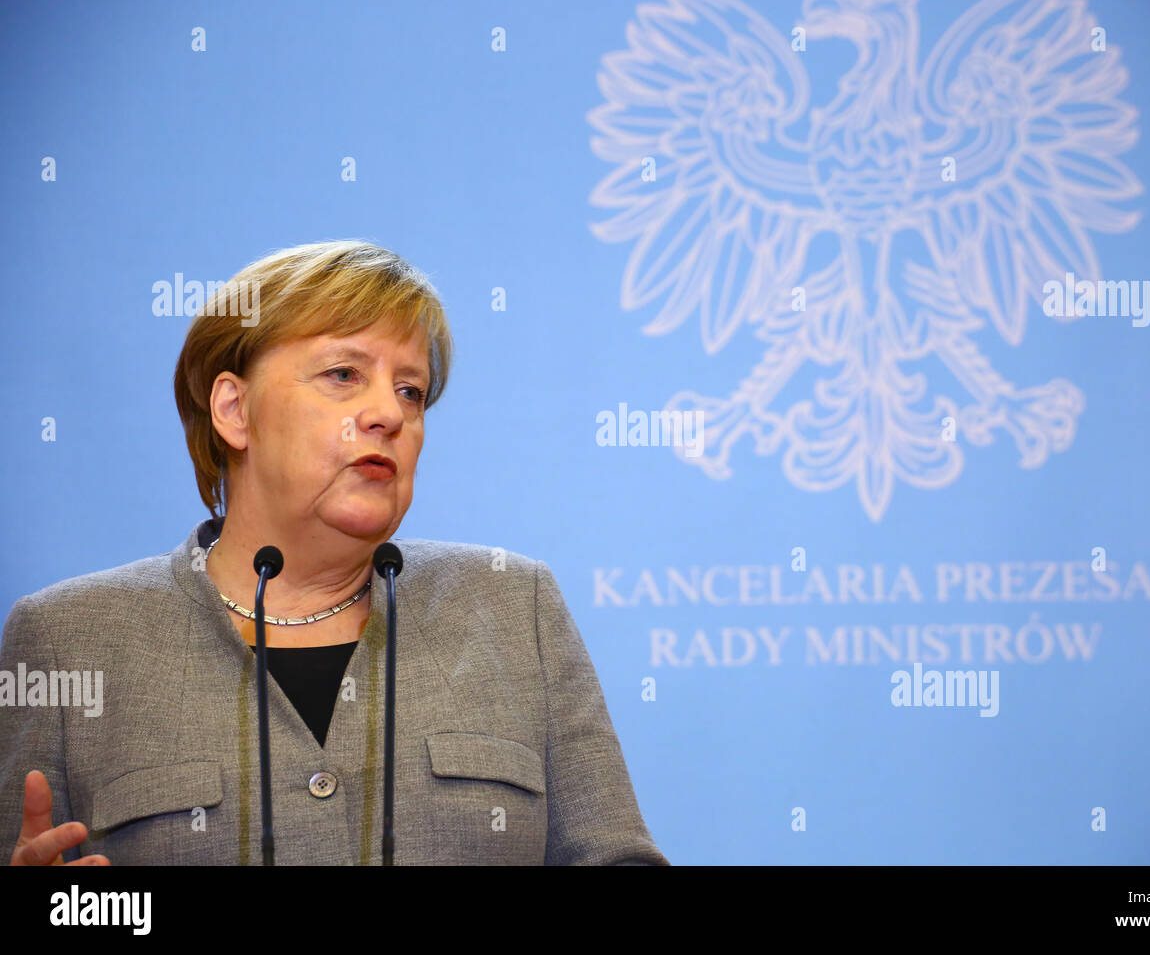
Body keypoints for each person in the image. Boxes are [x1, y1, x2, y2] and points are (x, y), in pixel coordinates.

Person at [0, 240, 668, 865]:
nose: (389, 413)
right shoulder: (69, 640)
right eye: (344, 374)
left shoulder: (514, 607)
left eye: (411, 390)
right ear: (234, 410)